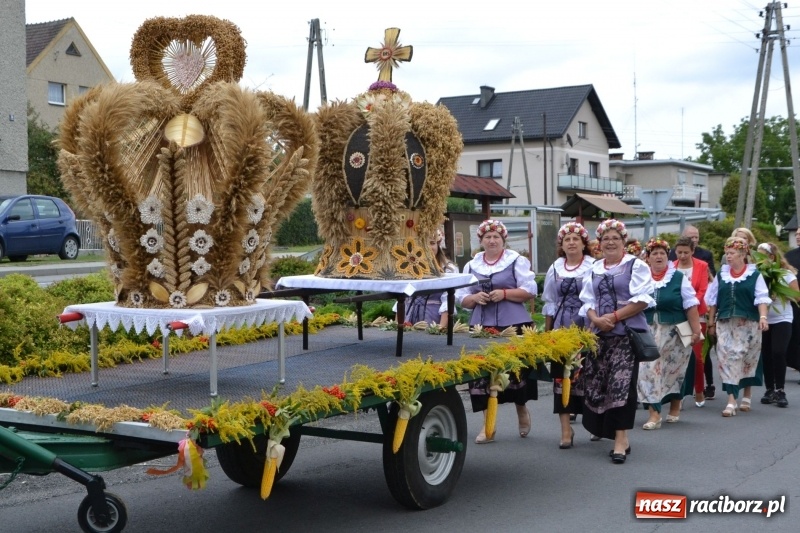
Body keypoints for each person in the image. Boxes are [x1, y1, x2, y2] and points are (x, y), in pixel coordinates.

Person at [579, 218, 655, 464]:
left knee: (621, 385)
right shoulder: (594, 268)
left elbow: (642, 300)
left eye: (615, 238)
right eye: (605, 239)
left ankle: (621, 440)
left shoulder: (636, 265)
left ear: (624, 242)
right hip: (599, 336)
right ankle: (609, 430)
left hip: (625, 334)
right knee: (598, 384)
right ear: (599, 243)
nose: (610, 242)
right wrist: (595, 319)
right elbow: (587, 300)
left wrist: (613, 317)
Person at [456, 219, 538, 443]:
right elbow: (461, 297)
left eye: (496, 237)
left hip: (513, 324)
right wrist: (474, 297)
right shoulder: (472, 265)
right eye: (488, 237)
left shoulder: (515, 260)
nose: (492, 240)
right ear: (481, 241)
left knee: (516, 373)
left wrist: (505, 294)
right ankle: (488, 425)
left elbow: (530, 290)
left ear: (503, 240)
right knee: (480, 375)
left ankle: (521, 409)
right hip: (481, 326)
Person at [638, 238, 702, 429]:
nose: (659, 257)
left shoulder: (678, 278)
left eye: (662, 253)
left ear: (668, 257)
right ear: (648, 258)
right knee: (648, 370)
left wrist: (696, 331)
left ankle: (675, 406)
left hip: (676, 332)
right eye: (654, 253)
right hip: (648, 331)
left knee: (674, 370)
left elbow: (690, 305)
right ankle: (654, 414)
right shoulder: (641, 278)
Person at [705, 237, 771, 417]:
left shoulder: (754, 275)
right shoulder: (721, 274)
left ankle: (747, 394)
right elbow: (713, 300)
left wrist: (763, 317)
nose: (728, 256)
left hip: (748, 323)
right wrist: (711, 322)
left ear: (742, 254)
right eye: (727, 253)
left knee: (747, 358)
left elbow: (762, 298)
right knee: (728, 359)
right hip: (725, 322)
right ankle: (731, 401)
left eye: (732, 253)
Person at [542, 222, 594, 449]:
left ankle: (593, 424)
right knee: (561, 378)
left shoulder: (593, 266)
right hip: (562, 328)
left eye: (576, 239)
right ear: (561, 245)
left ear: (583, 244)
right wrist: (546, 334)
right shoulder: (555, 268)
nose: (571, 243)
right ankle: (565, 430)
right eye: (567, 240)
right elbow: (550, 302)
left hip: (587, 326)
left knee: (588, 377)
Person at [757, 242, 799, 408]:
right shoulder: (758, 275)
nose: (758, 260)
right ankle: (769, 389)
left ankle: (780, 390)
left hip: (782, 318)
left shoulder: (785, 274)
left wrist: (780, 292)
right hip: (765, 318)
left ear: (771, 257)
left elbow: (797, 296)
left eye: (761, 256)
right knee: (766, 353)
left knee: (778, 351)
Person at [672, 236, 711, 407]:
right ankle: (678, 395)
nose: (682, 256)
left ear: (693, 251)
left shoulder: (701, 266)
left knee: (696, 356)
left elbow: (702, 290)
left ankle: (699, 389)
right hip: (677, 316)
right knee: (677, 356)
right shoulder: (671, 267)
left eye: (686, 252)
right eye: (679, 252)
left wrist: (690, 307)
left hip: (695, 315)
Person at [395, 228, 458, 328]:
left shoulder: (448, 269)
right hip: (409, 320)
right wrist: (397, 325)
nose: (428, 247)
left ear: (438, 245)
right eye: (423, 244)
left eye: (432, 243)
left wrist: (440, 328)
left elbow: (448, 301)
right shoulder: (409, 268)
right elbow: (402, 299)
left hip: (434, 321)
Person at [784, 228, 800, 379]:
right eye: (796, 234)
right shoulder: (789, 256)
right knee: (795, 334)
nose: (798, 236)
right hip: (794, 301)